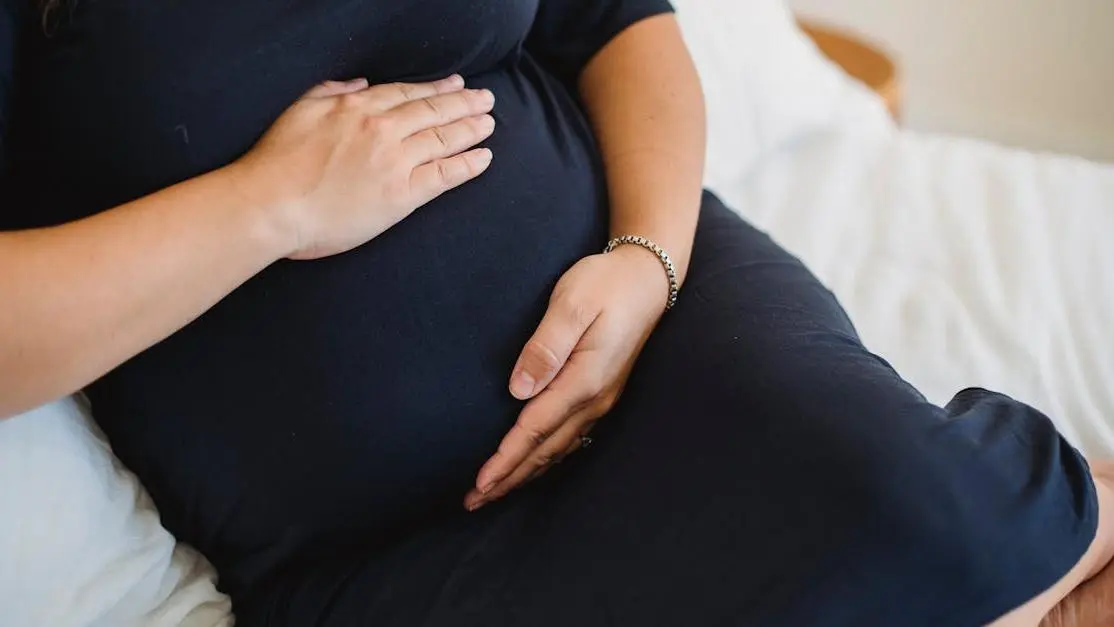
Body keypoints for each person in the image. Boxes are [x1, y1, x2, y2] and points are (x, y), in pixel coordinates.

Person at [0, 0, 1110, 624]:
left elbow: (623, 23)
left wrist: (644, 266)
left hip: (660, 317)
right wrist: (269, 205)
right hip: (375, 539)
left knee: (916, 506)